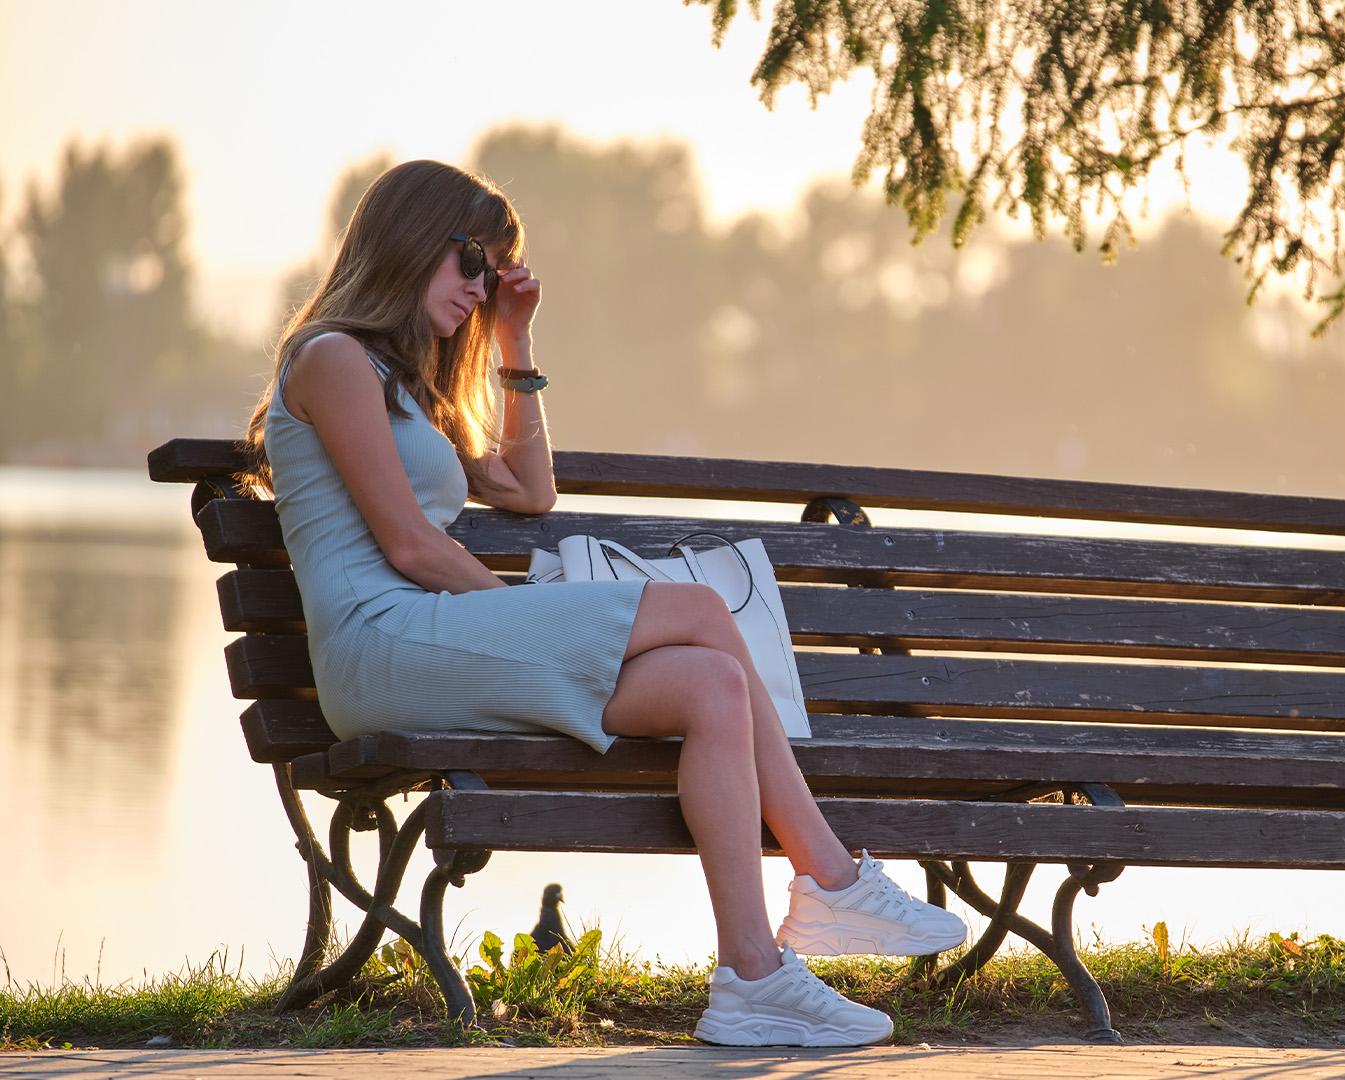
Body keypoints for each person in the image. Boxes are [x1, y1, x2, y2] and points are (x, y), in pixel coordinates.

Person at [238, 159, 965, 1047]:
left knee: (711, 686)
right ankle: (830, 878)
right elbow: (410, 546)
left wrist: (515, 341)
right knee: (698, 609)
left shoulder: (406, 392)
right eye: (471, 261)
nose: (480, 284)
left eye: (494, 270)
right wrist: (525, 619)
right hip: (384, 646)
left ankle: (752, 978)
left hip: (435, 640)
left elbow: (529, 491)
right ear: (409, 238)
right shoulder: (331, 360)